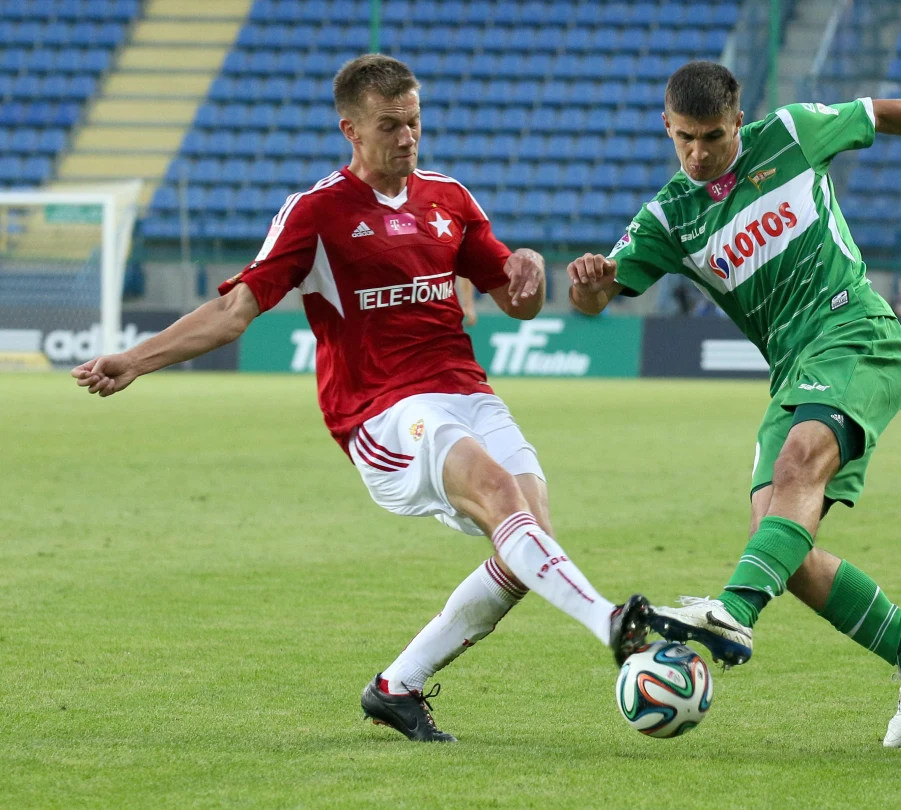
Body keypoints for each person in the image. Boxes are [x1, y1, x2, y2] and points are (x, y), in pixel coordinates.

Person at [71, 54, 668, 743]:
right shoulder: (317, 213)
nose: (408, 137)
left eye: (414, 122)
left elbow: (515, 299)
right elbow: (234, 313)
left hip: (466, 390)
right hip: (381, 410)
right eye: (391, 125)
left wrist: (527, 271)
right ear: (351, 129)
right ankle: (612, 623)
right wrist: (134, 360)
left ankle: (396, 687)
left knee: (529, 540)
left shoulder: (449, 200)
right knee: (500, 493)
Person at [568, 61, 901, 747]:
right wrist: (589, 283)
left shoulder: (793, 134)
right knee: (785, 554)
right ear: (666, 125)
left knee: (798, 471)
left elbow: (882, 110)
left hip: (855, 332)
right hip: (791, 373)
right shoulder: (668, 219)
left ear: (738, 121)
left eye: (712, 136)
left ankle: (733, 611)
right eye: (684, 137)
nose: (697, 152)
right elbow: (595, 299)